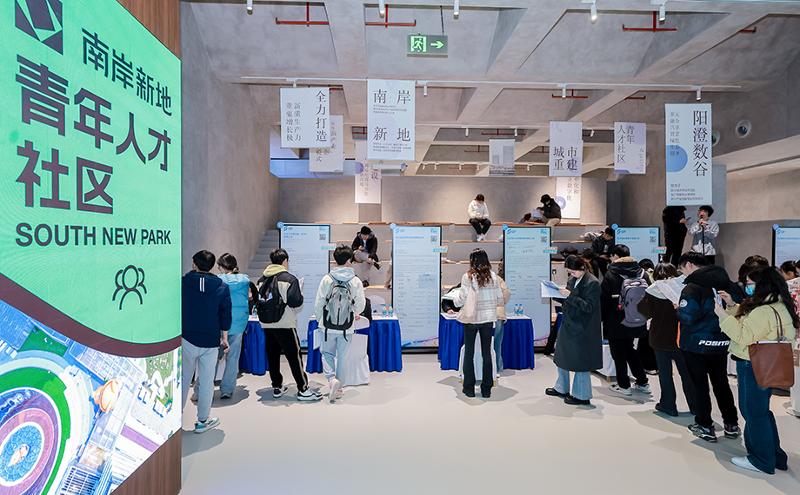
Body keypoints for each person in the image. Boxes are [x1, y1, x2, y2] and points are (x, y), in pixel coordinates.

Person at [718, 267, 798, 474]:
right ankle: (775, 455)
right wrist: (732, 306)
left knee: (752, 412)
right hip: (764, 364)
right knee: (760, 411)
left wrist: (722, 315)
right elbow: (752, 324)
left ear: (763, 285)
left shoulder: (764, 310)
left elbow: (743, 335)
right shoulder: (777, 304)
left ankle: (761, 460)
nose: (747, 287)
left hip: (752, 364)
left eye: (750, 284)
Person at [677, 251, 741, 443]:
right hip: (721, 342)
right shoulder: (727, 283)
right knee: (721, 383)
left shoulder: (692, 287)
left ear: (689, 265)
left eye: (682, 269)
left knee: (699, 386)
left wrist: (678, 310)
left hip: (696, 344)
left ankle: (705, 425)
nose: (683, 273)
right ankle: (731, 424)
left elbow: (688, 317)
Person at [260, 248, 323, 401]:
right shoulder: (289, 279)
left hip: (267, 324)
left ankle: (277, 386)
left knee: (273, 356)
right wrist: (300, 293)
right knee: (294, 356)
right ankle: (303, 389)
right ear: (285, 261)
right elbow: (295, 302)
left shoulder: (262, 279)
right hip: (285, 323)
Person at [637, 263, 697, 417]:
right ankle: (696, 406)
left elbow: (643, 310)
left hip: (660, 338)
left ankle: (668, 405)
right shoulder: (684, 289)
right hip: (681, 338)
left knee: (665, 375)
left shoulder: (653, 290)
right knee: (687, 374)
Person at [181, 250, 231, 434]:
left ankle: (175, 420)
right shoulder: (222, 286)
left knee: (184, 379)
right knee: (207, 381)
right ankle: (202, 421)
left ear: (194, 264)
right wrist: (224, 338)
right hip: (210, 340)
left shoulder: (183, 283)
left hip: (186, 338)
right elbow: (225, 315)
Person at [545, 256, 602, 406]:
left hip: (583, 327)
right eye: (569, 272)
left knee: (581, 362)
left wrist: (569, 296)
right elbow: (569, 300)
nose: (571, 274)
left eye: (573, 271)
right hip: (569, 323)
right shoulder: (573, 280)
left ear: (582, 268)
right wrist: (556, 294)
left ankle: (582, 395)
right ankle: (561, 388)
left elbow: (588, 307)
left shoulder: (593, 283)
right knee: (561, 357)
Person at [314, 245, 366, 403]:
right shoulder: (355, 280)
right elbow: (361, 305)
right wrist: (354, 312)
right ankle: (339, 388)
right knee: (342, 357)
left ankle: (332, 380)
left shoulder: (327, 279)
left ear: (335, 260)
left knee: (327, 353)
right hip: (347, 326)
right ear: (349, 260)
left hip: (327, 325)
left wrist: (320, 320)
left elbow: (319, 303)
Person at [452, 249, 503, 398]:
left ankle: (469, 388)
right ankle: (486, 389)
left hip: (472, 319)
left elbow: (461, 299)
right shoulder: (493, 277)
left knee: (469, 353)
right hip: (488, 319)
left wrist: (454, 299)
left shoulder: (468, 277)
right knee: (487, 353)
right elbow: (500, 298)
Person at [601, 244, 651, 397]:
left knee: (618, 353)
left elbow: (604, 301)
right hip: (637, 319)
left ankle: (624, 386)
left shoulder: (611, 274)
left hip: (616, 320)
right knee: (630, 349)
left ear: (615, 256)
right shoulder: (643, 273)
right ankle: (642, 382)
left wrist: (601, 319)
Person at [215, 253, 250, 399]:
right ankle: (227, 390)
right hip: (239, 323)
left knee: (212, 359)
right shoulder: (245, 280)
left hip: (220, 323)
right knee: (233, 358)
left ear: (222, 267)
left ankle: (200, 390)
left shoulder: (218, 280)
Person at [494, 262, 512, 374]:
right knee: (497, 343)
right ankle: (497, 368)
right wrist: (500, 303)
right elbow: (507, 293)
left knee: (482, 344)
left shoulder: (476, 277)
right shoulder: (498, 279)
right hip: (498, 314)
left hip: (482, 315)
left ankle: (482, 369)